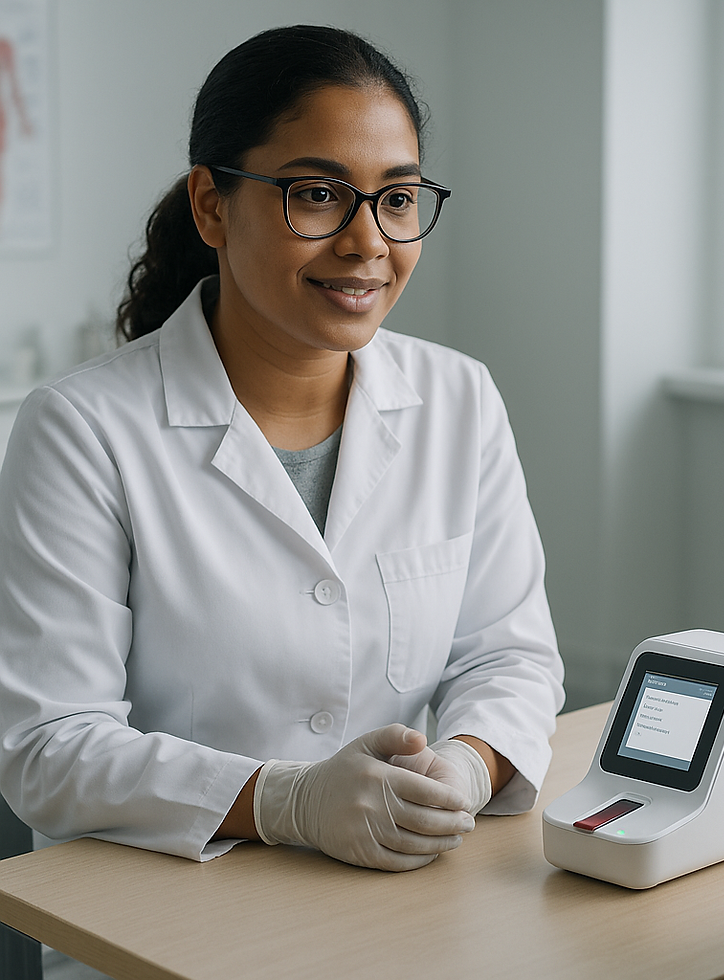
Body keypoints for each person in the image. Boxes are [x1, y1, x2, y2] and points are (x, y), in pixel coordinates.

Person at [0, 24, 563, 880]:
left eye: (398, 199)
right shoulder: (81, 430)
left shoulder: (460, 399)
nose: (369, 240)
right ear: (212, 205)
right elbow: (48, 746)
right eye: (318, 195)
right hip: (168, 914)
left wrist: (464, 768)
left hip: (407, 897)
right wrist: (285, 799)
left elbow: (508, 655)